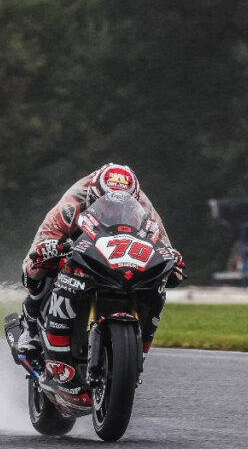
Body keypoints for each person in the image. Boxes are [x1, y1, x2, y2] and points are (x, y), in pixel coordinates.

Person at [18, 163, 185, 405]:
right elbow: (43, 241)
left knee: (158, 281)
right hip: (80, 246)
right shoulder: (73, 202)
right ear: (94, 196)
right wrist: (47, 248)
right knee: (35, 267)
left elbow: (163, 247)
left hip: (120, 256)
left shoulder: (144, 206)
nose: (114, 209)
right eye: (107, 203)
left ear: (134, 198)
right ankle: (31, 325)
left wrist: (174, 260)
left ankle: (137, 355)